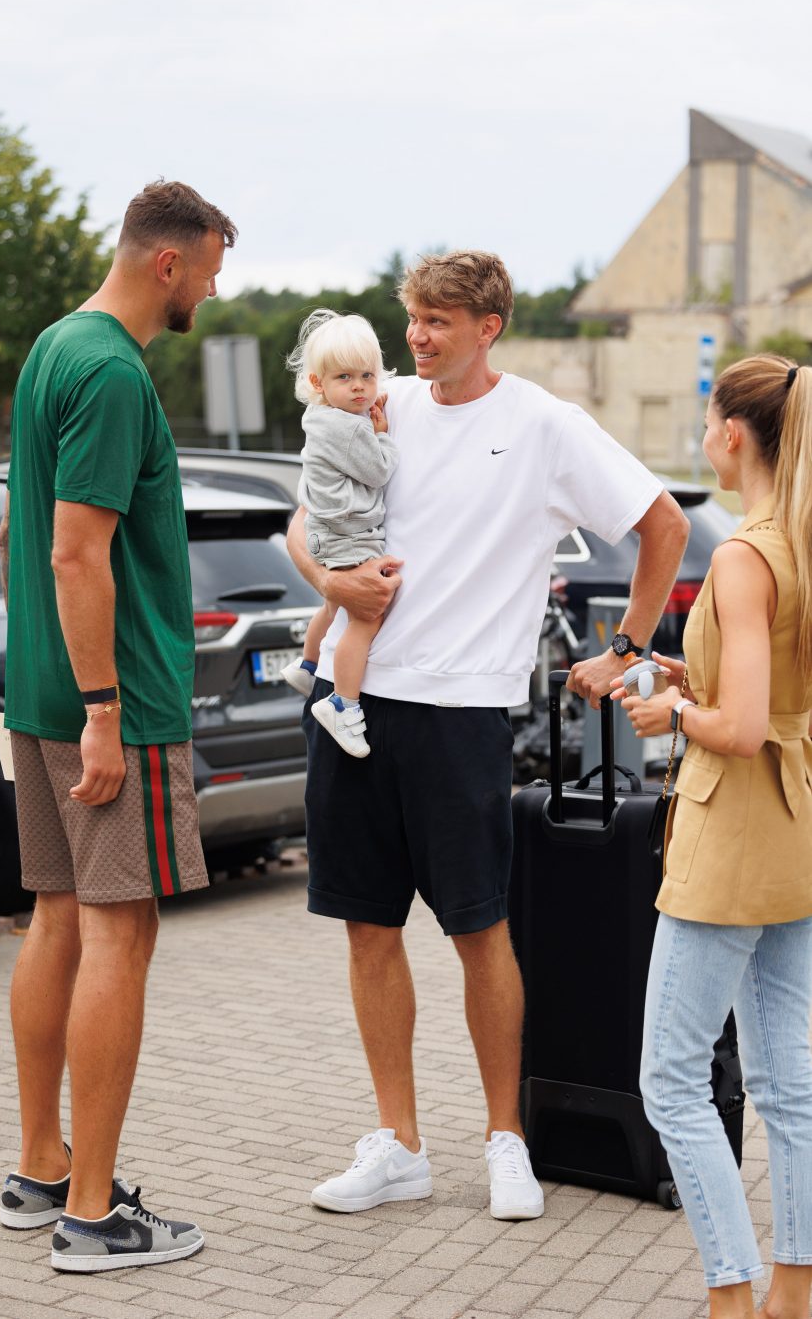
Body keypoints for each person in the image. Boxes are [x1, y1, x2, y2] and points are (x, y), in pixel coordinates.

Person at [286, 250, 689, 1220]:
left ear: (488, 326)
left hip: (463, 714)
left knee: (479, 931)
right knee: (367, 928)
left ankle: (505, 1138)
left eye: (436, 322)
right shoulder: (377, 401)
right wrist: (328, 583)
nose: (415, 339)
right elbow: (304, 524)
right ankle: (399, 1146)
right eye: (412, 319)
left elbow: (662, 524)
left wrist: (628, 646)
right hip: (350, 709)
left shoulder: (545, 426)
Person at [0, 180, 236, 1273]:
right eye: (214, 272)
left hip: (44, 694)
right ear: (169, 264)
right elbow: (73, 550)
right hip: (112, 707)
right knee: (117, 936)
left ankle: (42, 1165)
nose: (213, 295)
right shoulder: (111, 373)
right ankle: (91, 1215)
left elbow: (29, 525)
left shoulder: (53, 345)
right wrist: (104, 711)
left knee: (55, 919)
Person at [616, 355, 812, 1319]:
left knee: (669, 1081)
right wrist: (685, 680)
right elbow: (770, 704)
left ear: (736, 433)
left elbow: (736, 729)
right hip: (796, 825)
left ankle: (731, 1298)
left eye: (707, 420)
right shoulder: (803, 546)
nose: (703, 437)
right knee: (791, 1085)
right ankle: (792, 1293)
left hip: (730, 831)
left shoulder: (742, 555)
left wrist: (669, 717)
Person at [281, 309, 399, 757]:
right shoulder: (348, 428)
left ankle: (308, 664)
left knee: (332, 604)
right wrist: (382, 435)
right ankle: (342, 704)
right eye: (344, 376)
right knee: (364, 619)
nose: (359, 387)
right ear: (317, 383)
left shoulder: (320, 420)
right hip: (348, 533)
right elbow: (380, 468)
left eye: (367, 375)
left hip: (327, 530)